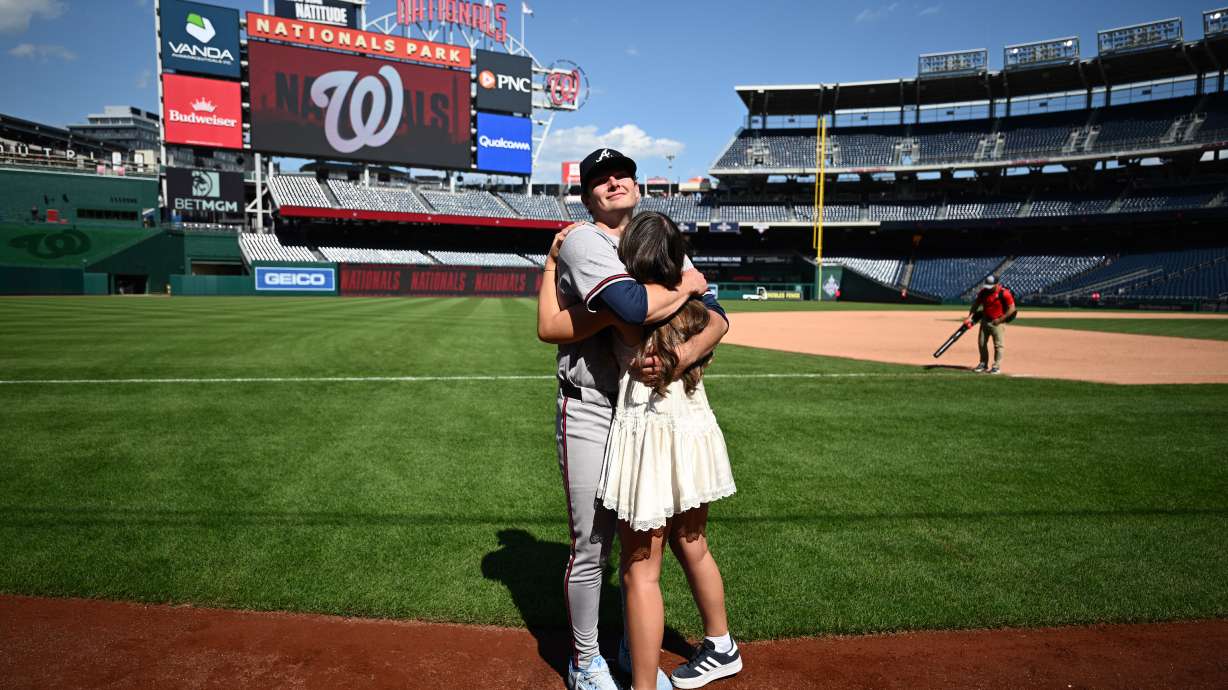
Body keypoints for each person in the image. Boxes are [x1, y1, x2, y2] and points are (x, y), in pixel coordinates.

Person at [536, 148, 729, 690]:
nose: (613, 182)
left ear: (638, 186)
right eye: (599, 179)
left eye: (622, 174)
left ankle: (633, 647)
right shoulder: (585, 240)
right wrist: (688, 287)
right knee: (593, 543)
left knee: (642, 543)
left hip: (641, 412)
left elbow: (719, 316)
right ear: (587, 195)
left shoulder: (652, 235)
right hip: (593, 406)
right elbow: (630, 307)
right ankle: (585, 659)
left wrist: (684, 356)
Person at [966, 274, 1016, 374]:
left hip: (998, 323)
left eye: (991, 286)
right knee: (981, 343)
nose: (988, 288)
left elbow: (1012, 308)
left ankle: (996, 366)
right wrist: (969, 317)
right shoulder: (983, 292)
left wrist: (1000, 320)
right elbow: (976, 304)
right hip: (985, 320)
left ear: (997, 284)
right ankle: (983, 363)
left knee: (998, 345)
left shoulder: (1004, 293)